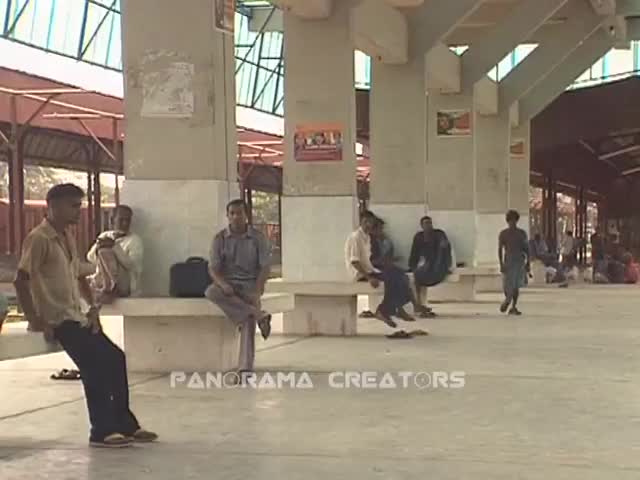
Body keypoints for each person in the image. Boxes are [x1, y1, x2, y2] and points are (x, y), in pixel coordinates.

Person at [13, 184, 157, 448]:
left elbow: (78, 272)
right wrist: (34, 318)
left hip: (76, 315)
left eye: (79, 205)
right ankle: (101, 430)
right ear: (53, 206)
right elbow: (21, 279)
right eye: (73, 205)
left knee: (115, 358)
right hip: (58, 318)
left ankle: (125, 423)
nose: (79, 211)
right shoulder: (39, 239)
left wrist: (92, 308)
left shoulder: (66, 235)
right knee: (94, 366)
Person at [206, 199, 272, 382]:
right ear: (227, 216)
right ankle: (260, 315)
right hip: (228, 285)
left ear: (246, 215)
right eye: (232, 213)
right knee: (211, 292)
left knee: (247, 318)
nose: (236, 217)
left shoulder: (257, 238)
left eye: (239, 213)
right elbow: (213, 268)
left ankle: (244, 369)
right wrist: (223, 284)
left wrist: (257, 291)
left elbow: (265, 267)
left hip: (250, 285)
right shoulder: (219, 239)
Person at [345, 211, 429, 327]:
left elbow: (370, 259)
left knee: (402, 276)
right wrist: (369, 278)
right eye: (366, 222)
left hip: (371, 270)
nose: (368, 225)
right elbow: (354, 262)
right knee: (392, 278)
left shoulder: (367, 237)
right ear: (362, 222)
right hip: (361, 274)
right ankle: (383, 310)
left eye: (370, 222)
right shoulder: (356, 237)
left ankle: (397, 308)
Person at [87, 205, 143, 302]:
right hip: (103, 281)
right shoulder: (104, 235)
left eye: (127, 220)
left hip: (124, 284)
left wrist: (114, 247)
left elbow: (132, 266)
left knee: (106, 251)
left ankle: (112, 287)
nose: (125, 223)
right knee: (103, 251)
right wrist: (98, 248)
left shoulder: (134, 240)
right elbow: (90, 258)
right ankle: (107, 287)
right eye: (121, 220)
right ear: (112, 220)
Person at [408, 216, 452, 318]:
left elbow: (445, 248)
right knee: (416, 277)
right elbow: (414, 253)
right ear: (422, 226)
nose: (428, 226)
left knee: (421, 274)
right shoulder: (418, 237)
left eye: (429, 223)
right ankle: (418, 304)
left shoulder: (439, 234)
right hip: (424, 265)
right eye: (426, 223)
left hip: (437, 266)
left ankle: (419, 305)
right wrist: (413, 266)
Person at [498, 210, 530, 315]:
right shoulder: (503, 234)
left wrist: (528, 263)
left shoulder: (521, 234)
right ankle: (508, 298)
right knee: (507, 285)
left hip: (519, 261)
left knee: (516, 285)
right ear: (508, 221)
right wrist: (501, 263)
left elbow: (527, 249)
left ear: (517, 221)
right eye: (510, 220)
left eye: (514, 220)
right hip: (508, 261)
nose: (512, 223)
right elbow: (500, 249)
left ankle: (513, 305)